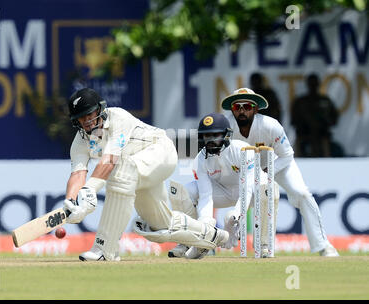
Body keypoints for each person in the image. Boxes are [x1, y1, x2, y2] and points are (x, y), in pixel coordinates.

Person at [63, 87, 229, 261]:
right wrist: (72, 201)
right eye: (82, 117)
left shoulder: (117, 117)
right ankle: (213, 236)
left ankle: (105, 250)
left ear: (100, 109)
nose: (87, 120)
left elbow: (110, 159)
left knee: (121, 172)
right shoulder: (80, 142)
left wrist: (90, 189)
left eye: (90, 114)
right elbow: (77, 173)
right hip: (136, 170)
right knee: (160, 225)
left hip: (160, 151)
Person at [221, 87, 339, 257]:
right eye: (237, 107)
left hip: (277, 163)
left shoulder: (269, 125)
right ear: (232, 110)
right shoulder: (226, 128)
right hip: (244, 168)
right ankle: (253, 245)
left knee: (302, 194)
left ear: (255, 109)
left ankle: (323, 246)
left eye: (246, 106)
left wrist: (267, 172)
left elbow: (287, 155)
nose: (241, 111)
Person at [167, 113, 280, 259]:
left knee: (269, 190)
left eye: (215, 135)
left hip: (252, 193)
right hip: (222, 192)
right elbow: (206, 196)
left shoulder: (243, 150)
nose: (211, 141)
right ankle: (188, 241)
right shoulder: (201, 159)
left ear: (226, 135)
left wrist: (234, 216)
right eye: (207, 136)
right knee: (184, 191)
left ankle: (264, 245)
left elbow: (248, 188)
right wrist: (205, 228)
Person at [291, 74, 340, 157]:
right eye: (311, 84)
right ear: (307, 85)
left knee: (325, 143)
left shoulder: (325, 101)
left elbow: (334, 119)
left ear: (318, 84)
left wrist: (321, 123)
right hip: (304, 135)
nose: (313, 86)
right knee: (298, 145)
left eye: (315, 83)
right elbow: (294, 120)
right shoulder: (300, 101)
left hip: (322, 136)